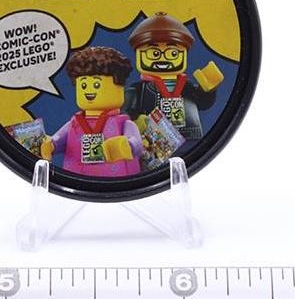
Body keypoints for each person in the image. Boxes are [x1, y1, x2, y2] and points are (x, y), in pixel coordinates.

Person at [42, 46, 143, 177]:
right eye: (83, 85)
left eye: (96, 85)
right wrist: (50, 145)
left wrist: (126, 146)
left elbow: (137, 145)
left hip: (116, 182)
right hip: (77, 180)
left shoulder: (124, 123)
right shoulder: (74, 124)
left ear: (120, 86)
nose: (89, 91)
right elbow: (58, 141)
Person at [122, 12, 223, 141]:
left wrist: (208, 90)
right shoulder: (138, 90)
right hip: (152, 142)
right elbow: (126, 112)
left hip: (189, 138)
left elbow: (203, 104)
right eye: (154, 53)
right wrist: (135, 122)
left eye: (173, 53)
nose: (163, 59)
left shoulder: (186, 86)